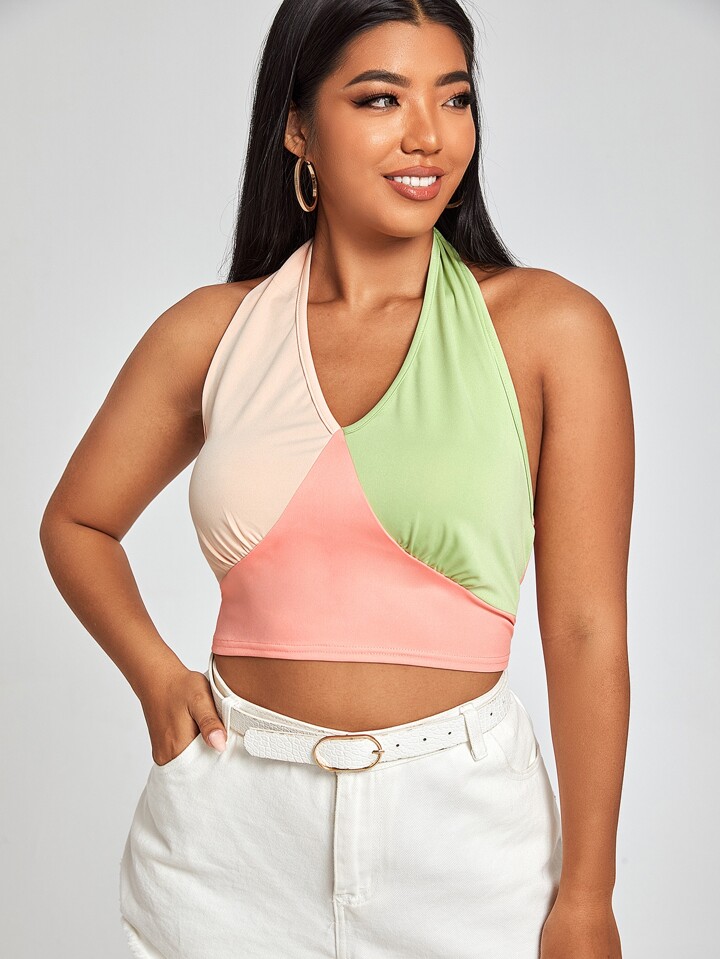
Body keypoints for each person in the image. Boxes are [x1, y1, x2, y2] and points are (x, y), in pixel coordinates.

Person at [39, 1, 632, 957]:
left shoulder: (550, 330)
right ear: (298, 129)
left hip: (467, 846)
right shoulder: (212, 332)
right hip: (227, 841)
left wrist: (588, 895)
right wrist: (155, 674)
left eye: (455, 97)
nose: (429, 135)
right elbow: (76, 522)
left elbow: (587, 627)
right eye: (380, 98)